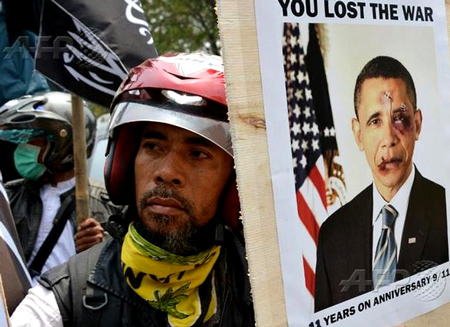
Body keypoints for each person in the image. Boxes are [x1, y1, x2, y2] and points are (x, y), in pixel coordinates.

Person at [10, 53, 255, 327]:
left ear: (234, 179)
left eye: (197, 153)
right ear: (124, 163)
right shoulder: (64, 299)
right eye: (153, 146)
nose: (167, 172)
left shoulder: (269, 289)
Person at [315, 56, 448, 312]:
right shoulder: (332, 236)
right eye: (375, 121)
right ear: (358, 134)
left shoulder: (445, 210)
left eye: (400, 118)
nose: (389, 138)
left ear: (417, 125)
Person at [0, 92, 120, 285]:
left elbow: (125, 275)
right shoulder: (10, 196)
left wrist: (101, 248)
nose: (22, 148)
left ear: (61, 142)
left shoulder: (109, 205)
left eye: (32, 140)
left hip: (68, 311)